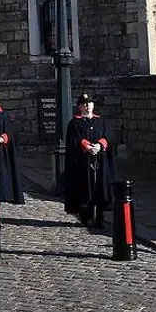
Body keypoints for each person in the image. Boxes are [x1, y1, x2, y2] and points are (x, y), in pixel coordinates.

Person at [63, 93, 115, 228]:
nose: (87, 106)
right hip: (83, 161)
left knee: (100, 187)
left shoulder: (100, 121)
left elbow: (107, 136)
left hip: (100, 159)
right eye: (84, 104)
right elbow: (74, 139)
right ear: (80, 106)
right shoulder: (75, 123)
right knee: (85, 188)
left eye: (90, 103)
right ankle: (86, 215)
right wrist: (86, 146)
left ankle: (100, 216)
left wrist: (100, 145)